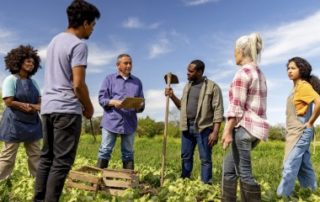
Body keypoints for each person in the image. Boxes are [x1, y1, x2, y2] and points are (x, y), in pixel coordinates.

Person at [33, 0, 100, 201]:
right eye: (93, 25)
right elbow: (77, 84)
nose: (92, 30)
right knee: (61, 162)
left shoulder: (55, 41)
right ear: (86, 23)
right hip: (66, 110)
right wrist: (89, 107)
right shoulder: (78, 45)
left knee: (46, 158)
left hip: (48, 108)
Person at [221, 32, 269, 201]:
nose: (233, 54)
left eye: (234, 50)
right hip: (255, 131)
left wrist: (227, 131)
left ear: (241, 51)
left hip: (243, 130)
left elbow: (236, 108)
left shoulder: (242, 73)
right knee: (228, 168)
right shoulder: (259, 73)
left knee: (245, 173)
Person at [165, 59, 224, 184]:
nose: (187, 73)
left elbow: (218, 110)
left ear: (200, 72)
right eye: (187, 70)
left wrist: (215, 132)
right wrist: (172, 96)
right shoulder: (188, 87)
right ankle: (185, 182)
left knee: (205, 159)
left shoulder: (212, 87)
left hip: (204, 128)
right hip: (187, 126)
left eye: (190, 71)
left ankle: (206, 185)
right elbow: (181, 106)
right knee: (186, 156)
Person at [277, 57, 320, 197]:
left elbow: (318, 101)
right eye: (288, 68)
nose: (289, 71)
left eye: (293, 68)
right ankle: (313, 194)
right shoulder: (296, 87)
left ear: (301, 70)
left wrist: (311, 122)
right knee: (304, 167)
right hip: (294, 132)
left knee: (289, 167)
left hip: (300, 132)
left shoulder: (303, 86)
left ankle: (281, 197)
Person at [0, 45, 42, 180]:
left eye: (33, 62)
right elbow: (9, 101)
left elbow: (41, 102)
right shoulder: (10, 80)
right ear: (19, 62)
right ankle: (1, 181)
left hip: (32, 123)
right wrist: (29, 105)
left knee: (36, 155)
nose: (31, 64)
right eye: (28, 61)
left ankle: (38, 183)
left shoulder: (34, 82)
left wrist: (35, 106)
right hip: (14, 123)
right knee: (8, 157)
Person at [96, 54, 144, 170]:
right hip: (111, 121)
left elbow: (142, 102)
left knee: (128, 152)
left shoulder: (137, 82)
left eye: (130, 63)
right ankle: (98, 179)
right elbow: (101, 99)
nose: (129, 65)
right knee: (105, 150)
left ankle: (128, 183)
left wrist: (139, 106)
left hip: (129, 122)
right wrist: (113, 102)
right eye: (126, 63)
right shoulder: (109, 79)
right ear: (118, 65)